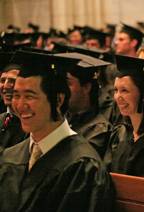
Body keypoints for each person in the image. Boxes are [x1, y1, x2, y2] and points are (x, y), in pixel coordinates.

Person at [0, 50, 114, 212]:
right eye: (16, 95)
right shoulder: (11, 156)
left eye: (30, 96)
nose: (20, 105)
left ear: (58, 99)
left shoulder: (83, 167)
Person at [56, 52, 113, 158]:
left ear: (86, 87)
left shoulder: (99, 130)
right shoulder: (61, 118)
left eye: (68, 84)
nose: (61, 90)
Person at [0, 53, 27, 152]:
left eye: (12, 81)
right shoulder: (1, 119)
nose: (6, 86)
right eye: (3, 80)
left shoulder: (32, 125)